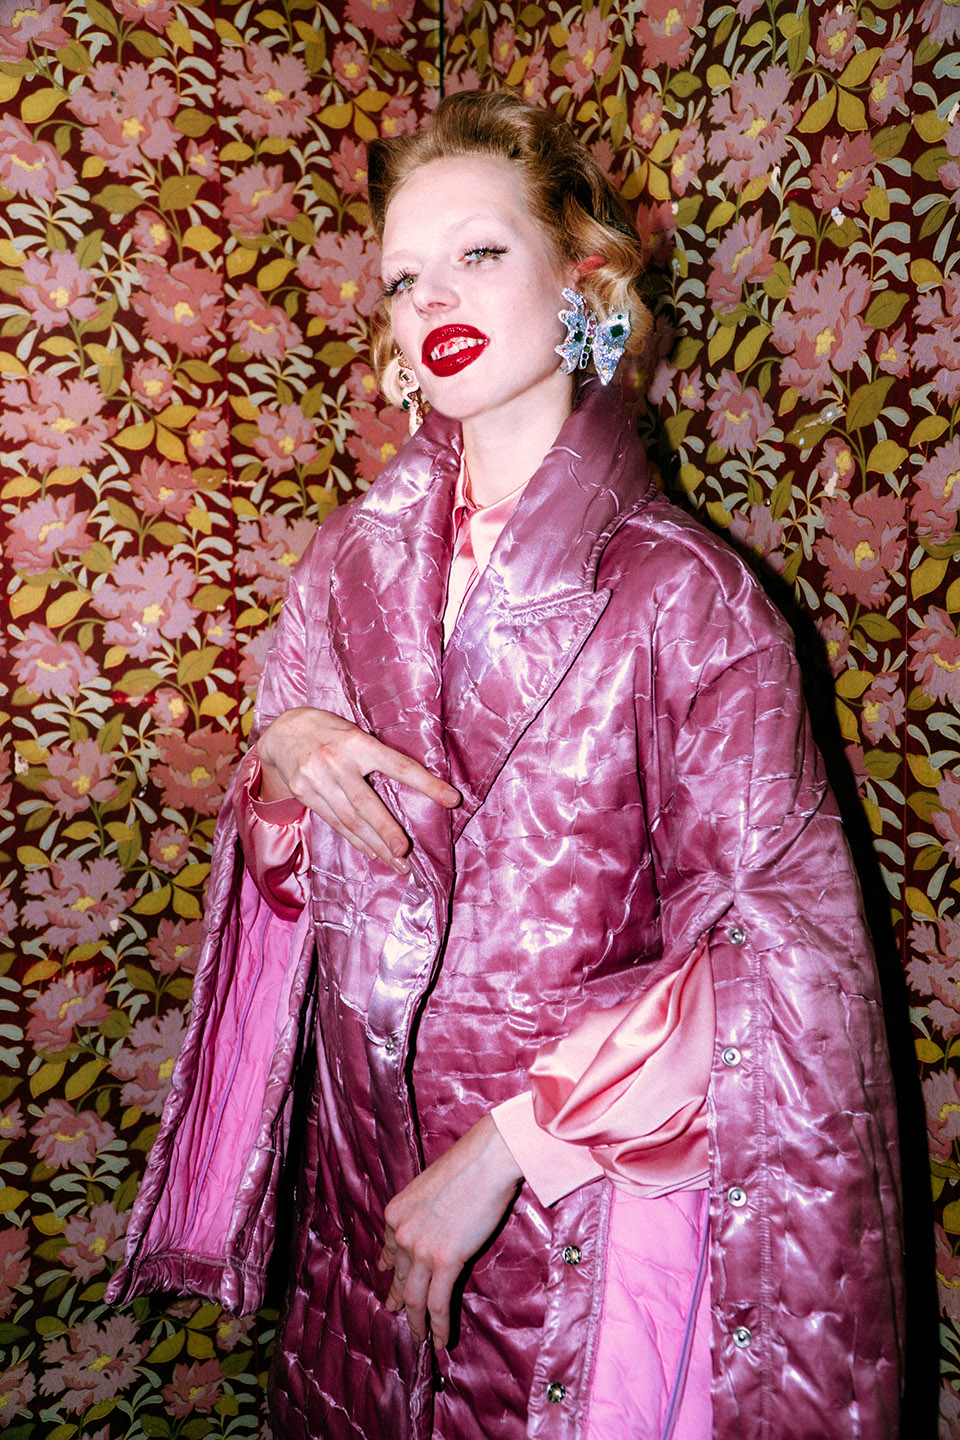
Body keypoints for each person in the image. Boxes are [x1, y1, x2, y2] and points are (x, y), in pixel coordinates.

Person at [108, 90, 904, 1439]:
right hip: (358, 1182)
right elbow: (297, 874)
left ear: (580, 281)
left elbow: (785, 965)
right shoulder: (347, 562)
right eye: (403, 278)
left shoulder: (690, 598)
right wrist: (282, 761)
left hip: (576, 1207)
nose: (433, 298)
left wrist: (508, 1151)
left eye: (479, 253)